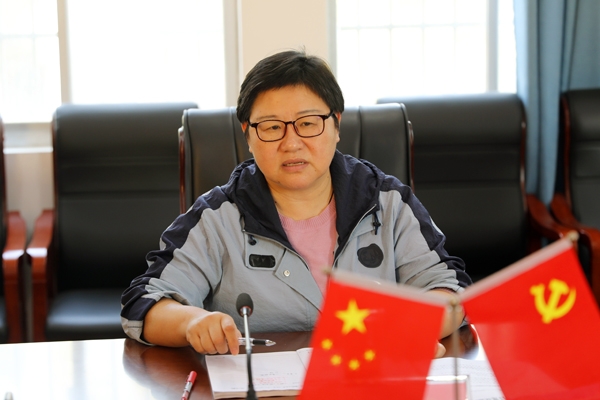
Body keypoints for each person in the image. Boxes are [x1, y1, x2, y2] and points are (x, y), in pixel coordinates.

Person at [121, 49, 472, 357]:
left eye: (308, 123)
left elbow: (451, 291)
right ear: (248, 135)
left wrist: (411, 326)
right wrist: (191, 322)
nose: (291, 143)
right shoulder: (216, 217)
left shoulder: (388, 202)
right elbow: (144, 304)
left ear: (336, 125)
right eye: (272, 127)